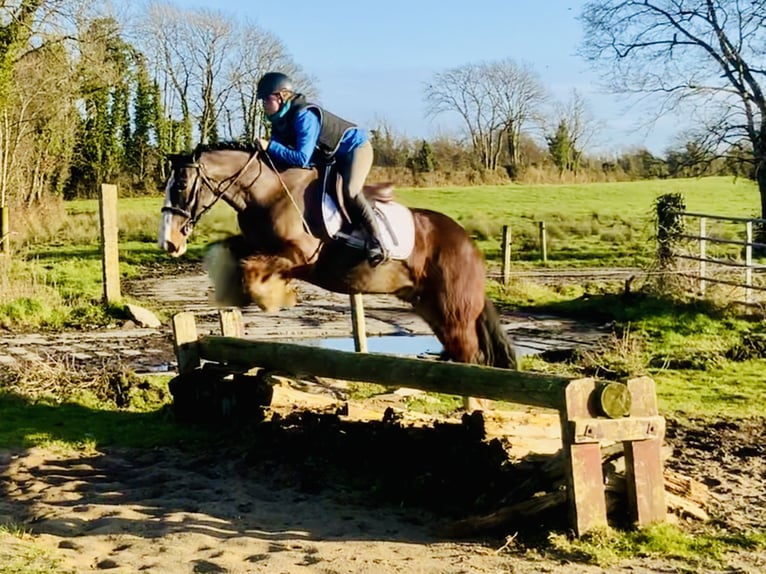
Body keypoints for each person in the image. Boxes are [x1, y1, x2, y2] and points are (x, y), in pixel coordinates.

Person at [256, 71, 388, 266]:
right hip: (331, 158)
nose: (263, 104)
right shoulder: (279, 122)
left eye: (266, 99)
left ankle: (378, 242)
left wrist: (271, 146)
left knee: (350, 191)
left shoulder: (304, 116)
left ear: (282, 96)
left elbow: (301, 158)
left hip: (355, 149)